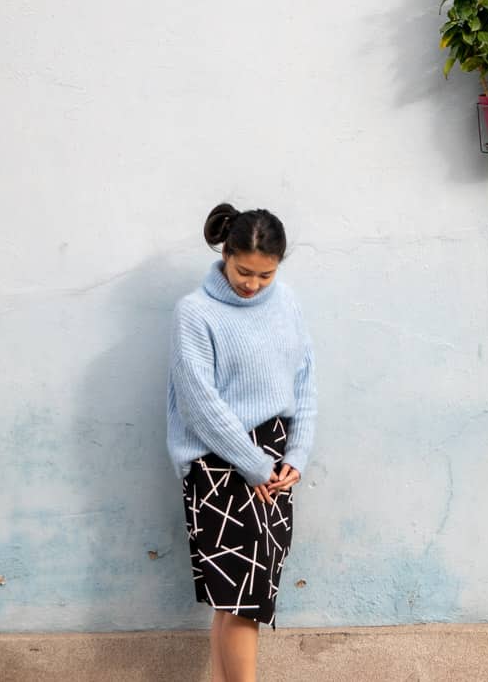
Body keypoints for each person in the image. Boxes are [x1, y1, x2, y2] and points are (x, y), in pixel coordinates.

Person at [167, 203, 315, 682]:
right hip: (219, 465)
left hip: (274, 459)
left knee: (237, 602)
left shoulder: (286, 302)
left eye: (265, 275)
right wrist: (255, 464)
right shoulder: (195, 312)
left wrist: (297, 453)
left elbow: (306, 379)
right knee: (243, 601)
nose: (252, 284)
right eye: (243, 271)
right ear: (224, 255)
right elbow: (198, 403)